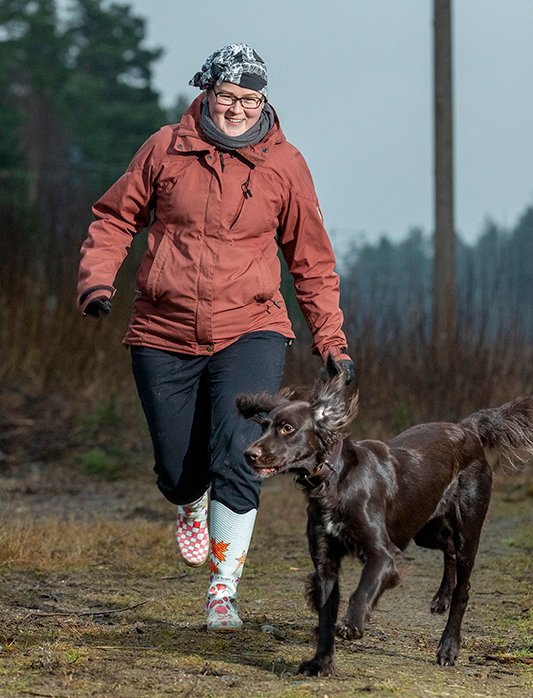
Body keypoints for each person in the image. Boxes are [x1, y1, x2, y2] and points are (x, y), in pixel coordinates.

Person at [76, 43, 354, 630]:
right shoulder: (164, 148)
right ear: (206, 93)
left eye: (248, 99)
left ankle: (223, 592)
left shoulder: (285, 165)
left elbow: (312, 261)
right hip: (162, 328)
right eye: (226, 96)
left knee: (239, 454)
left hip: (250, 328)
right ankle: (190, 501)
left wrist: (331, 340)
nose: (235, 110)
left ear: (263, 102)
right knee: (179, 470)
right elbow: (115, 216)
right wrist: (98, 280)